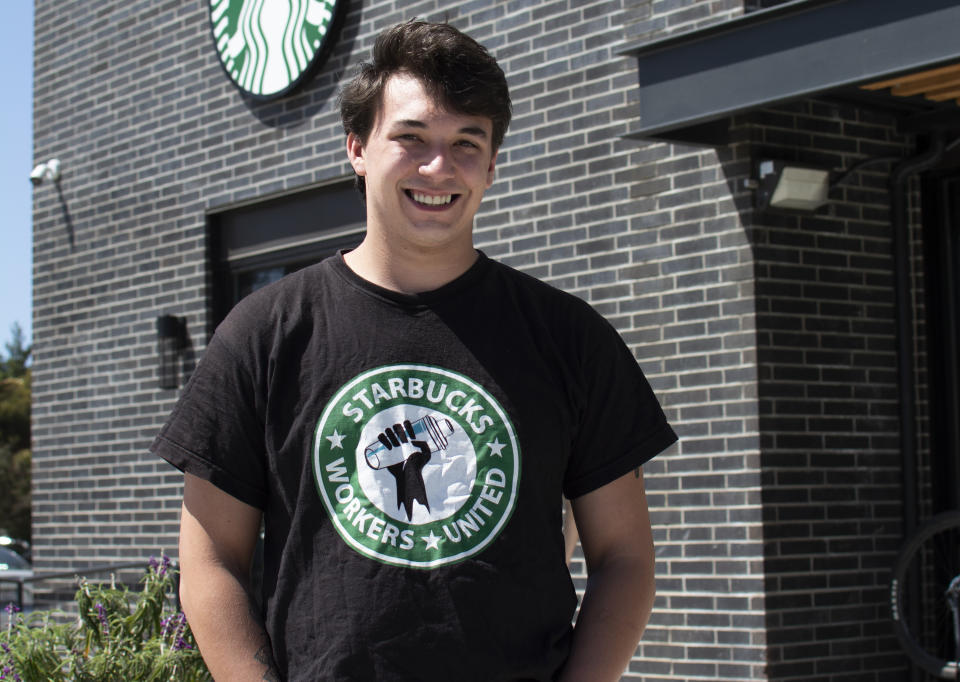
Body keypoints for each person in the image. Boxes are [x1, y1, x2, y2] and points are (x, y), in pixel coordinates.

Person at [152, 20, 677, 682]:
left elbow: (625, 557)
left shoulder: (568, 337)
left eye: (466, 142)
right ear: (357, 148)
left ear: (492, 164)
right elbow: (210, 561)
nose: (438, 167)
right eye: (410, 138)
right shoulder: (263, 334)